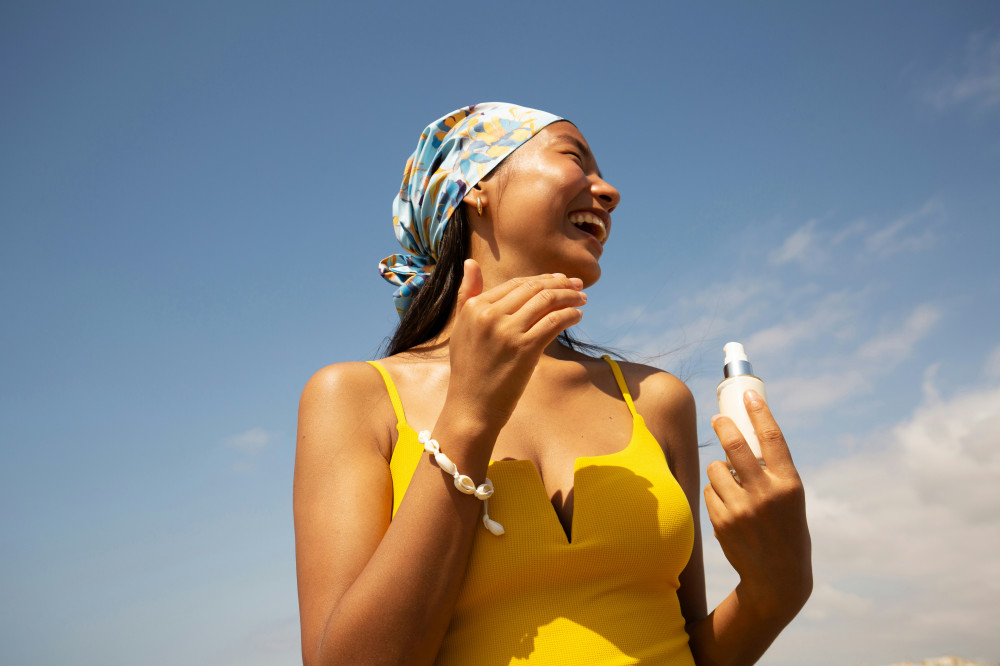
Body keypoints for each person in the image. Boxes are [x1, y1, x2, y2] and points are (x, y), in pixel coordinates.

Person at [293, 103, 812, 666]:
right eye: (575, 158)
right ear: (476, 187)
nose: (609, 191)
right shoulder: (354, 398)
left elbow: (690, 650)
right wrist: (469, 416)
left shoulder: (656, 400)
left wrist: (775, 593)